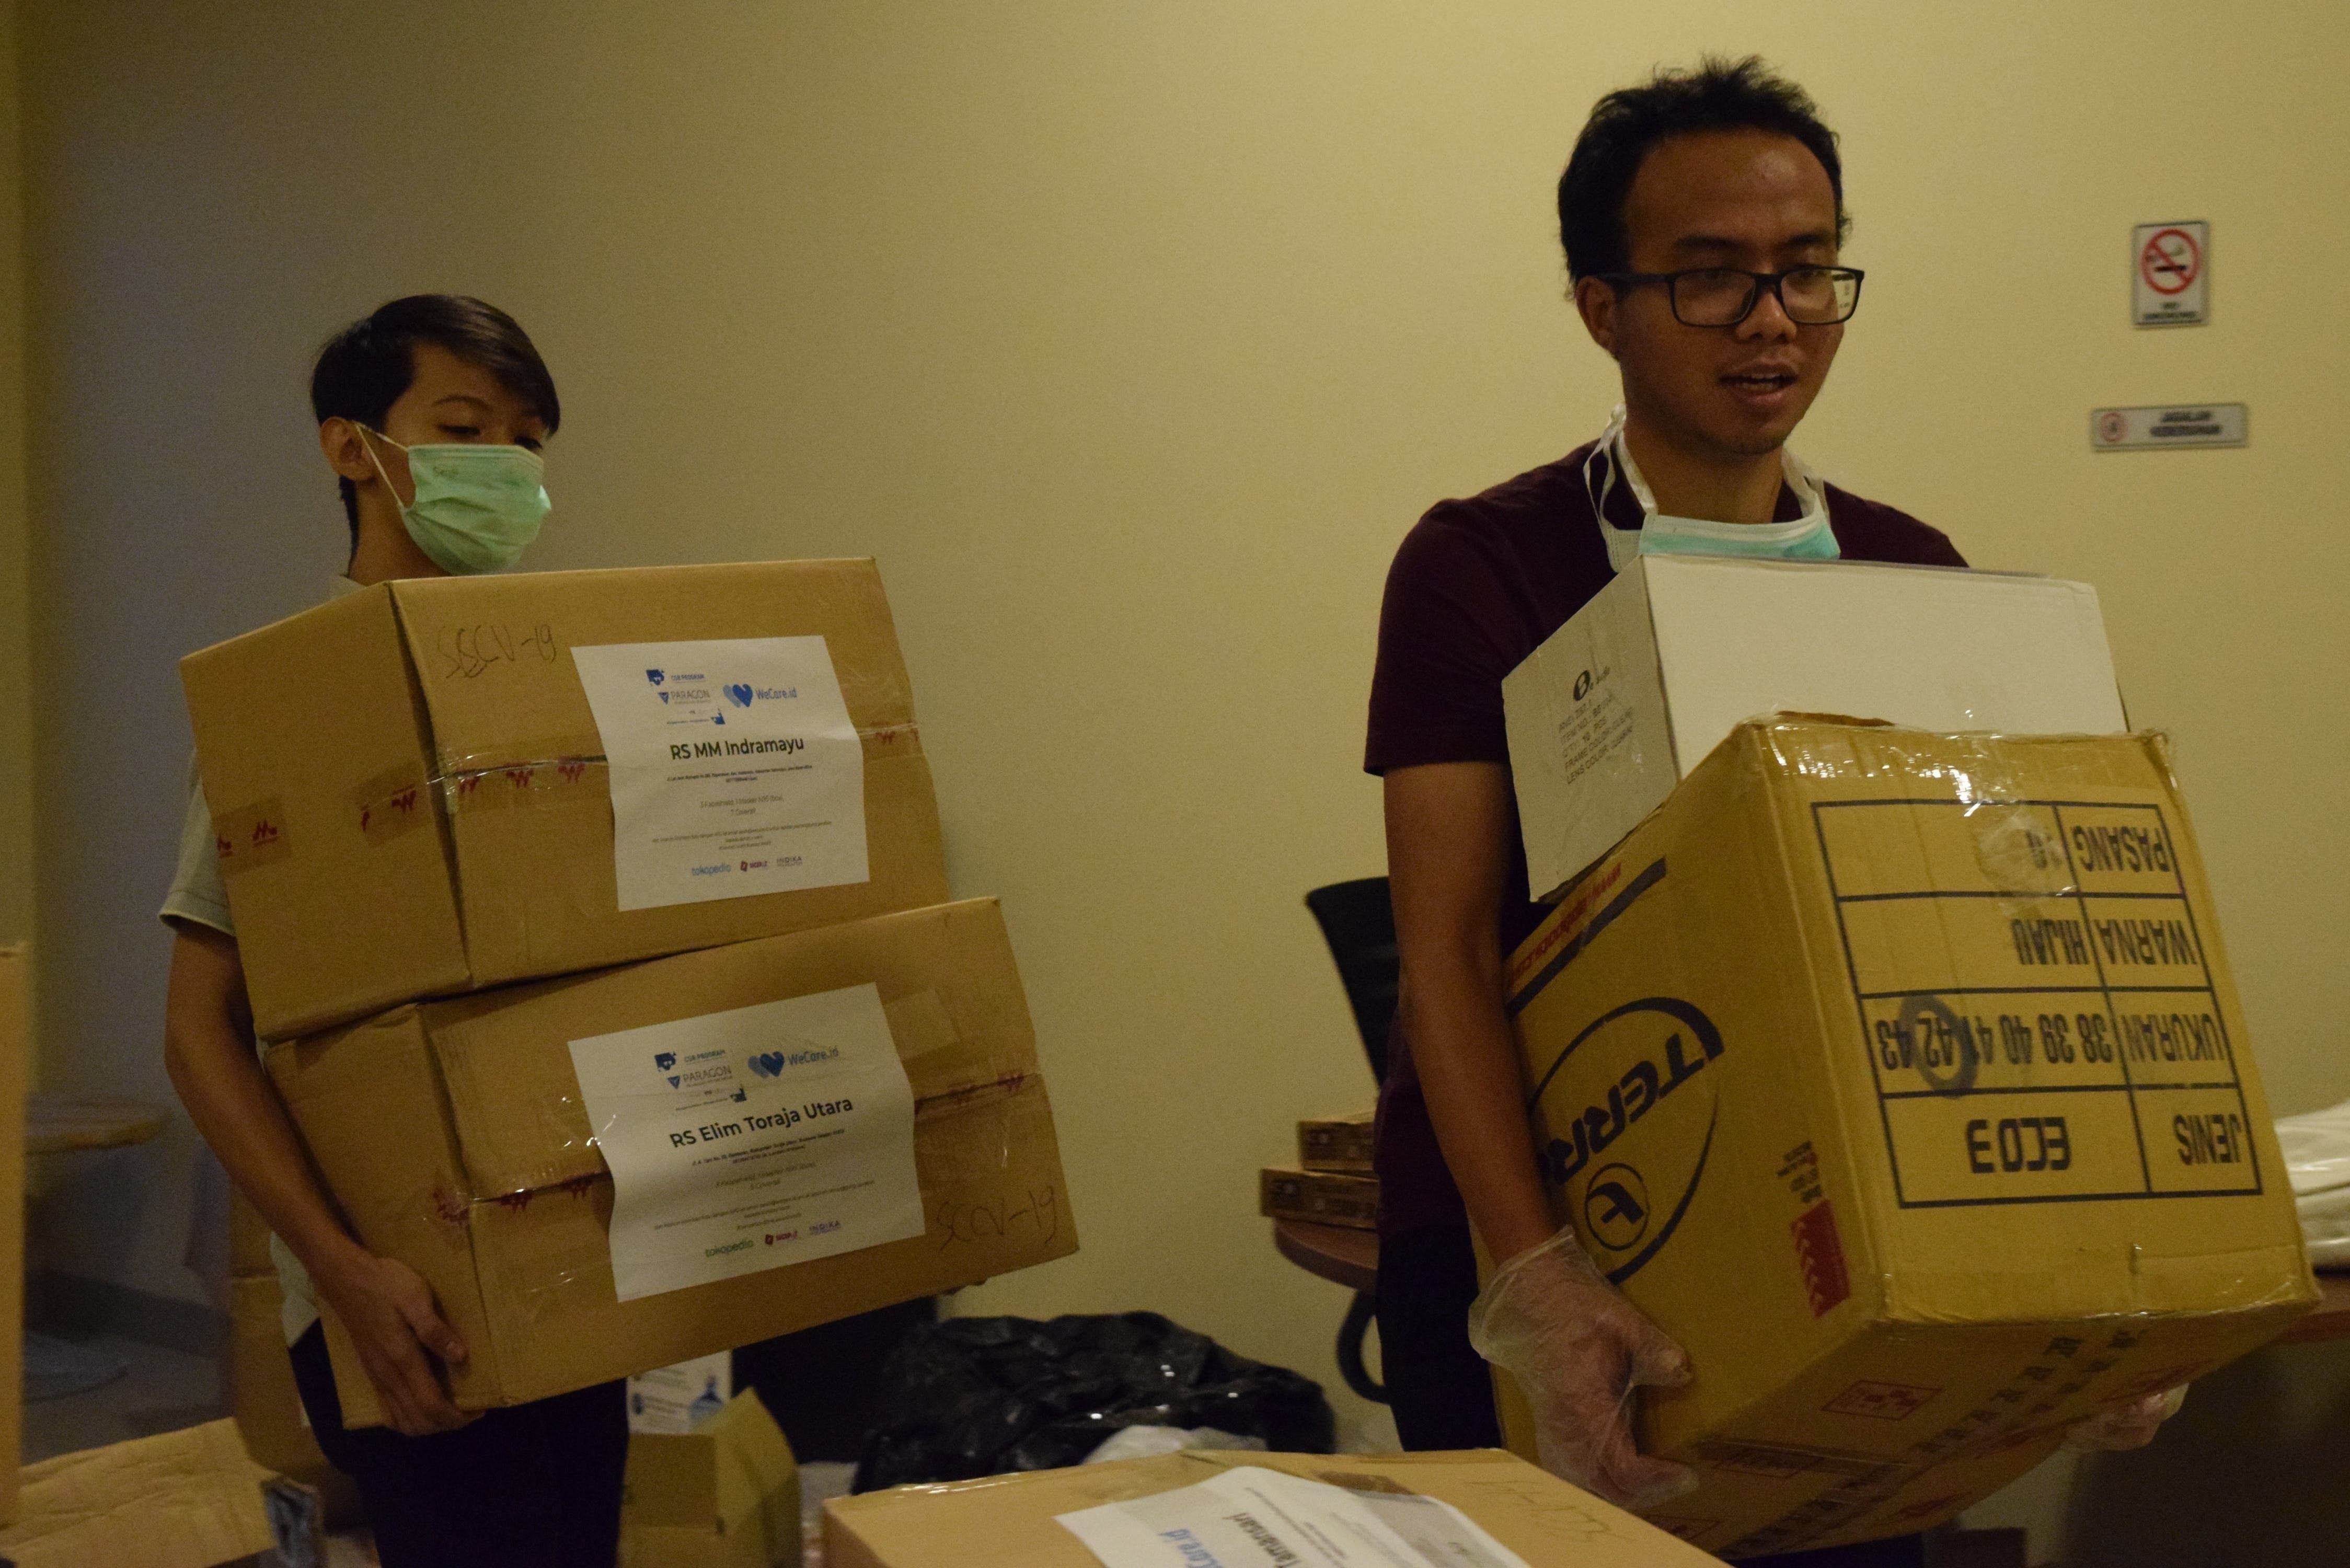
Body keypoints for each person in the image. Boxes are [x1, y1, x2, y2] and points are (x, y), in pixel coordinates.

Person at [1365, 59, 2179, 1567]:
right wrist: (1537, 1276)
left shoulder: (1912, 573)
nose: (1772, 320)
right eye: (1711, 278)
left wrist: (2089, 1261)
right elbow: (1446, 955)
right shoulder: (1487, 567)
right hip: (1540, 1226)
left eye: (1808, 271)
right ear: (1602, 307)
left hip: (1834, 1241)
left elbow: (2002, 944)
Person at [159, 295, 629, 1567]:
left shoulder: (547, 694)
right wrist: (343, 1273)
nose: (505, 468)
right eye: (465, 430)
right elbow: (198, 1030)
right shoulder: (289, 704)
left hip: (567, 1254)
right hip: (397, 1289)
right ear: (351, 446)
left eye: (526, 441)